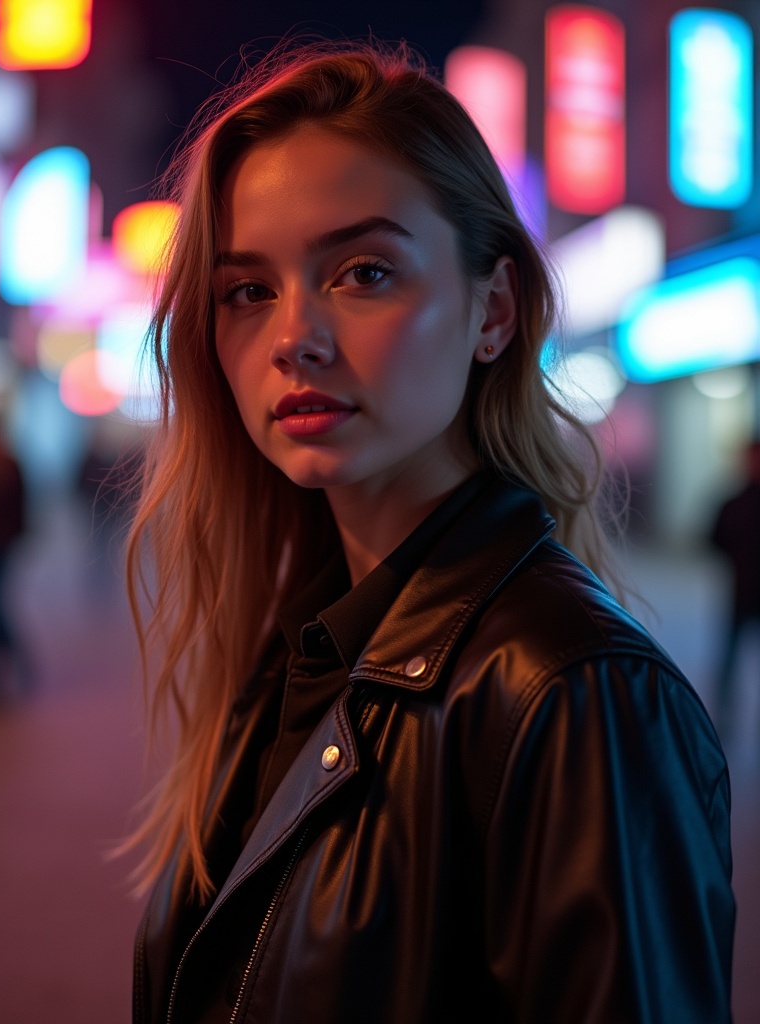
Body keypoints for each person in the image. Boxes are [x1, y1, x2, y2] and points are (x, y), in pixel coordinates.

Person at [123, 39, 735, 1024]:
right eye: (248, 290)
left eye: (363, 272)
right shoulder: (303, 649)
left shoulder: (570, 691)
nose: (294, 337)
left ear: (491, 311)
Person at [709, 437, 760, 734]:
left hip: (742, 591)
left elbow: (715, 541)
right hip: (740, 594)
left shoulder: (734, 501)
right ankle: (725, 718)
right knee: (729, 659)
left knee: (731, 657)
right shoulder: (733, 502)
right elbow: (715, 539)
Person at [0, 411, 27, 698]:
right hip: (4, 544)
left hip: (0, 546)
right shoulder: (10, 462)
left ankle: (16, 665)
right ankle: (18, 665)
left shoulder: (8, 463)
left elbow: (19, 509)